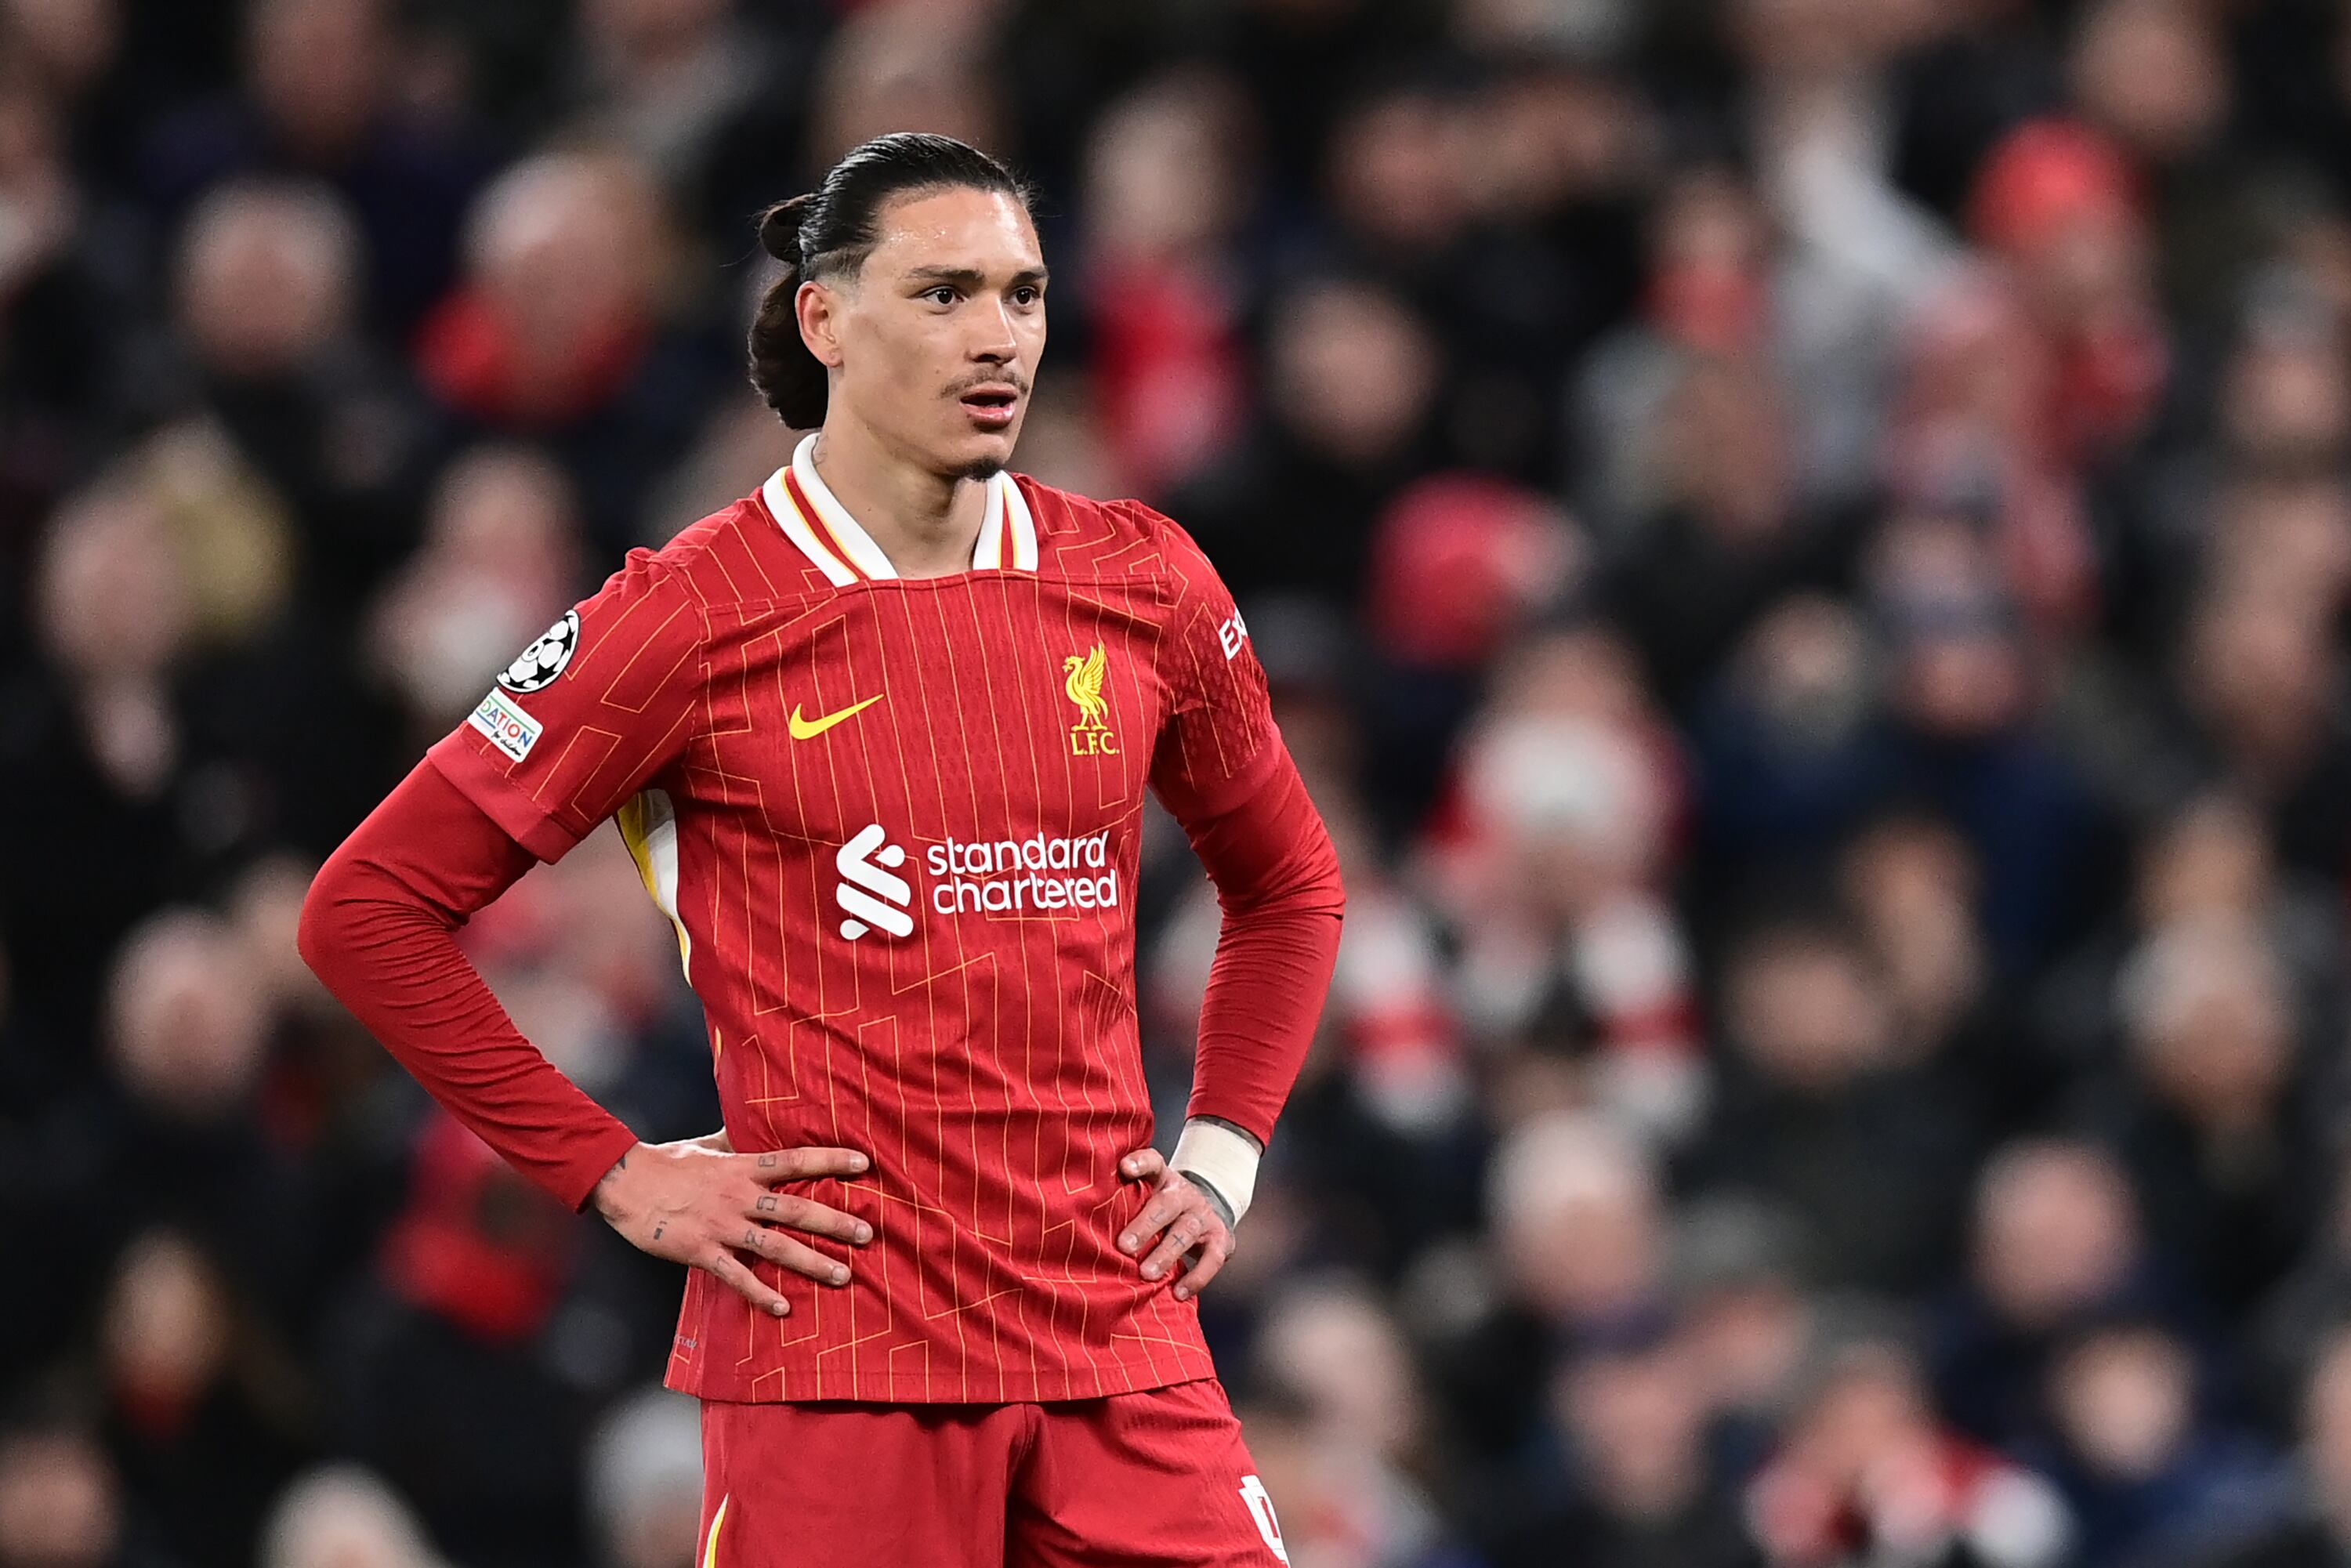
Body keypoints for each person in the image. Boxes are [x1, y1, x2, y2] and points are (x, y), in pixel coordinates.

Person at [296, 131, 1345, 1567]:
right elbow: (367, 910)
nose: (1000, 339)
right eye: (945, 293)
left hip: (1117, 1337)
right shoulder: (685, 614)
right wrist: (613, 1172)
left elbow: (1288, 881)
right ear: (825, 318)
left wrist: (1221, 1151)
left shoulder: (1143, 578)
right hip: (842, 1364)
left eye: (1026, 296)